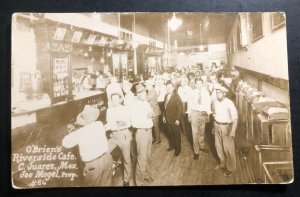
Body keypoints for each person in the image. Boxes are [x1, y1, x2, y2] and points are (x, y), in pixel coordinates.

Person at [62, 105, 113, 186]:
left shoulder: (79, 133)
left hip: (93, 165)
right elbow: (90, 131)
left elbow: (65, 143)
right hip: (107, 159)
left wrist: (71, 131)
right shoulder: (99, 124)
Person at [106, 92, 132, 186]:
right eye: (113, 99)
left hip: (123, 134)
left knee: (127, 158)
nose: (115, 101)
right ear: (111, 101)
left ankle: (126, 180)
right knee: (104, 152)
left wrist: (123, 123)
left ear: (120, 99)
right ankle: (113, 166)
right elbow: (109, 124)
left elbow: (129, 123)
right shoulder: (109, 110)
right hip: (113, 135)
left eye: (117, 99)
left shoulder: (125, 109)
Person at [130, 83, 154, 186]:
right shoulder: (135, 106)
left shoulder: (145, 103)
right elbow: (134, 123)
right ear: (138, 94)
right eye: (142, 92)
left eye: (144, 92)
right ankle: (139, 183)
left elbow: (150, 114)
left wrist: (151, 115)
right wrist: (146, 117)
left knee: (147, 156)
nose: (144, 94)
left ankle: (146, 175)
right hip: (141, 133)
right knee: (141, 157)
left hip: (149, 132)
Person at [212, 84, 238, 177]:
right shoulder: (216, 102)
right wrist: (213, 126)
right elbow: (215, 115)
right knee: (218, 146)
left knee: (228, 148)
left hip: (227, 127)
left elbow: (235, 118)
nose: (217, 94)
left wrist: (233, 130)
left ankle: (231, 168)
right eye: (216, 92)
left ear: (224, 93)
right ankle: (222, 163)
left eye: (219, 93)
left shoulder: (229, 103)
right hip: (217, 125)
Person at [187, 78, 212, 160]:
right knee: (195, 133)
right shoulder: (192, 92)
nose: (198, 85)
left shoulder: (206, 93)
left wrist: (208, 115)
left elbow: (208, 104)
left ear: (202, 84)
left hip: (203, 114)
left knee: (202, 131)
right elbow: (189, 104)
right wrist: (189, 115)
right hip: (194, 113)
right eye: (197, 83)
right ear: (195, 84)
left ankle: (201, 146)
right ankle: (196, 151)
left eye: (200, 83)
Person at [163, 81, 183, 156]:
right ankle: (172, 146)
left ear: (173, 88)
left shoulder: (176, 96)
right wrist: (163, 117)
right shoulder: (166, 96)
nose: (168, 89)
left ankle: (178, 149)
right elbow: (164, 108)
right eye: (167, 88)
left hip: (174, 120)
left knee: (176, 134)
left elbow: (180, 109)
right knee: (170, 134)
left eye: (170, 88)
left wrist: (178, 119)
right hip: (167, 119)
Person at [145, 79, 161, 144]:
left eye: (146, 85)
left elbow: (146, 98)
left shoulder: (152, 91)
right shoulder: (150, 90)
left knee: (155, 126)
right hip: (153, 110)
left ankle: (157, 139)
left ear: (150, 85)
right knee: (154, 126)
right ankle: (156, 139)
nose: (146, 86)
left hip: (154, 111)